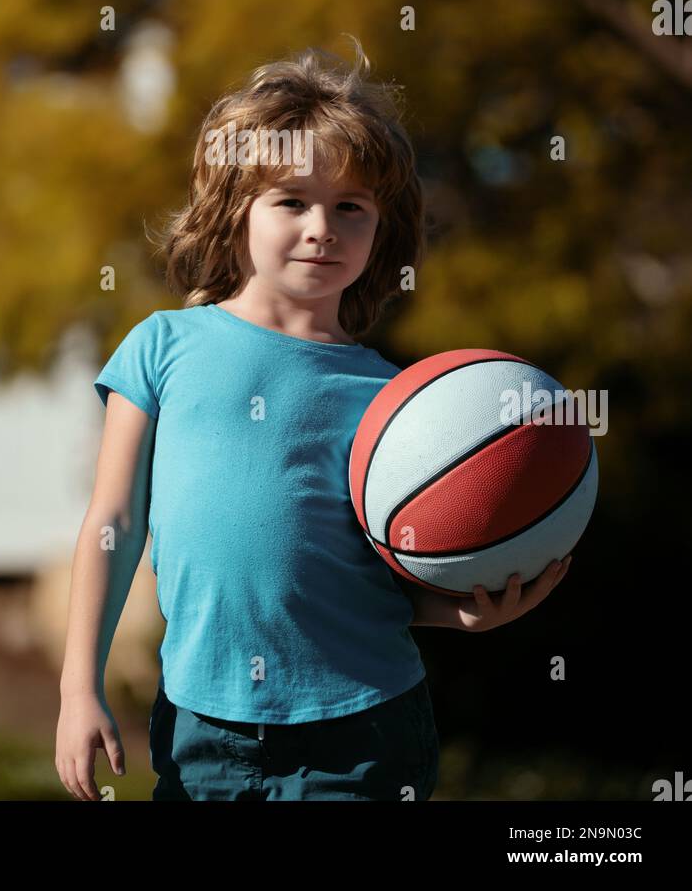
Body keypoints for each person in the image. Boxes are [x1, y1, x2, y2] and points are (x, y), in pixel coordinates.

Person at [55, 39, 570, 801]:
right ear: (235, 210)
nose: (321, 227)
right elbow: (114, 523)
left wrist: (459, 612)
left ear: (380, 229)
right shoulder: (162, 347)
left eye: (350, 207)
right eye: (291, 200)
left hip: (363, 731)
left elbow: (373, 575)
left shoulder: (399, 404)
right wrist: (77, 687)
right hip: (203, 727)